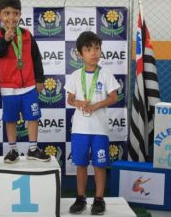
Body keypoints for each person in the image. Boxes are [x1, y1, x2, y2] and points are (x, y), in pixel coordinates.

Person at [0, 0, 50, 163]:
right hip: (8, 87)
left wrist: (40, 79)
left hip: (29, 85)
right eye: (6, 13)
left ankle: (33, 149)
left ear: (20, 15)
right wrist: (6, 39)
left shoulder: (27, 35)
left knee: (33, 117)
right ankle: (13, 150)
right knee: (10, 119)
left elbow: (36, 57)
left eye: (15, 13)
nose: (11, 17)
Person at [64, 31, 119, 215]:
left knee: (99, 165)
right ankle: (80, 198)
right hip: (80, 129)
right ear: (80, 53)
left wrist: (96, 106)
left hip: (100, 130)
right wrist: (78, 102)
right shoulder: (75, 75)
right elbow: (69, 99)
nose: (94, 52)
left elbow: (113, 96)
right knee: (80, 164)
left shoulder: (105, 74)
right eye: (89, 49)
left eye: (97, 48)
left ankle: (99, 199)